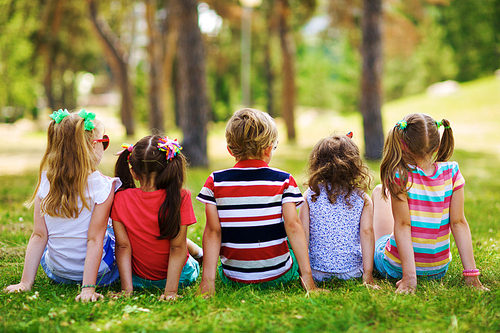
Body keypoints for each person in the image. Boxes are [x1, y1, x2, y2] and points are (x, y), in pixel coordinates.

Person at [196, 108, 323, 296]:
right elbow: (293, 226)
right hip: (279, 276)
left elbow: (213, 232)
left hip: (234, 278)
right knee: (291, 238)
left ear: (230, 150)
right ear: (269, 148)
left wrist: (207, 282)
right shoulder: (284, 180)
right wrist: (309, 281)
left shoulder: (215, 182)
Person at [4, 109, 121, 302]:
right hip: (101, 275)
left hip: (58, 272)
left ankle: (29, 280)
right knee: (117, 234)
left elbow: (39, 235)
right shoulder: (104, 187)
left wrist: (24, 283)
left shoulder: (45, 181)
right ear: (93, 147)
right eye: (104, 142)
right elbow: (94, 239)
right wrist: (88, 289)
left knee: (47, 241)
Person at [372, 113, 488, 293]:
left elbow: (403, 226)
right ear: (438, 146)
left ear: (403, 145)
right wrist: (471, 275)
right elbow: (458, 223)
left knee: (379, 191)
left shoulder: (400, 176)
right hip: (437, 270)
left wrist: (409, 278)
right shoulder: (452, 172)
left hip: (396, 268)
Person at [111, 135, 202, 300]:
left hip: (137, 280)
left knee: (173, 238)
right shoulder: (180, 196)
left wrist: (126, 290)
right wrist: (171, 292)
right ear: (169, 168)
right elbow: (177, 248)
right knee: (181, 242)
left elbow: (123, 247)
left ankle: (198, 252)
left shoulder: (120, 198)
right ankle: (200, 254)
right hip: (180, 279)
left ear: (133, 172)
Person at [299, 134, 379, 288]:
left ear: (317, 164)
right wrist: (367, 273)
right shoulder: (362, 198)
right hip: (352, 271)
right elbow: (367, 233)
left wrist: (305, 273)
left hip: (317, 272)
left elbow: (303, 234)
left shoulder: (310, 195)